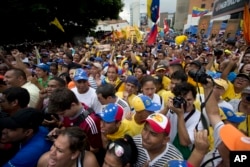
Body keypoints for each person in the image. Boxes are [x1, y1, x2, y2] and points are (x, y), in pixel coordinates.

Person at [167, 82, 203, 159]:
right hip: (168, 152)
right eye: (182, 99)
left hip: (182, 157)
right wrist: (167, 107)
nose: (185, 103)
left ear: (194, 99)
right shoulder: (173, 108)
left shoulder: (200, 118)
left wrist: (180, 115)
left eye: (189, 99)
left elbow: (185, 142)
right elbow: (157, 120)